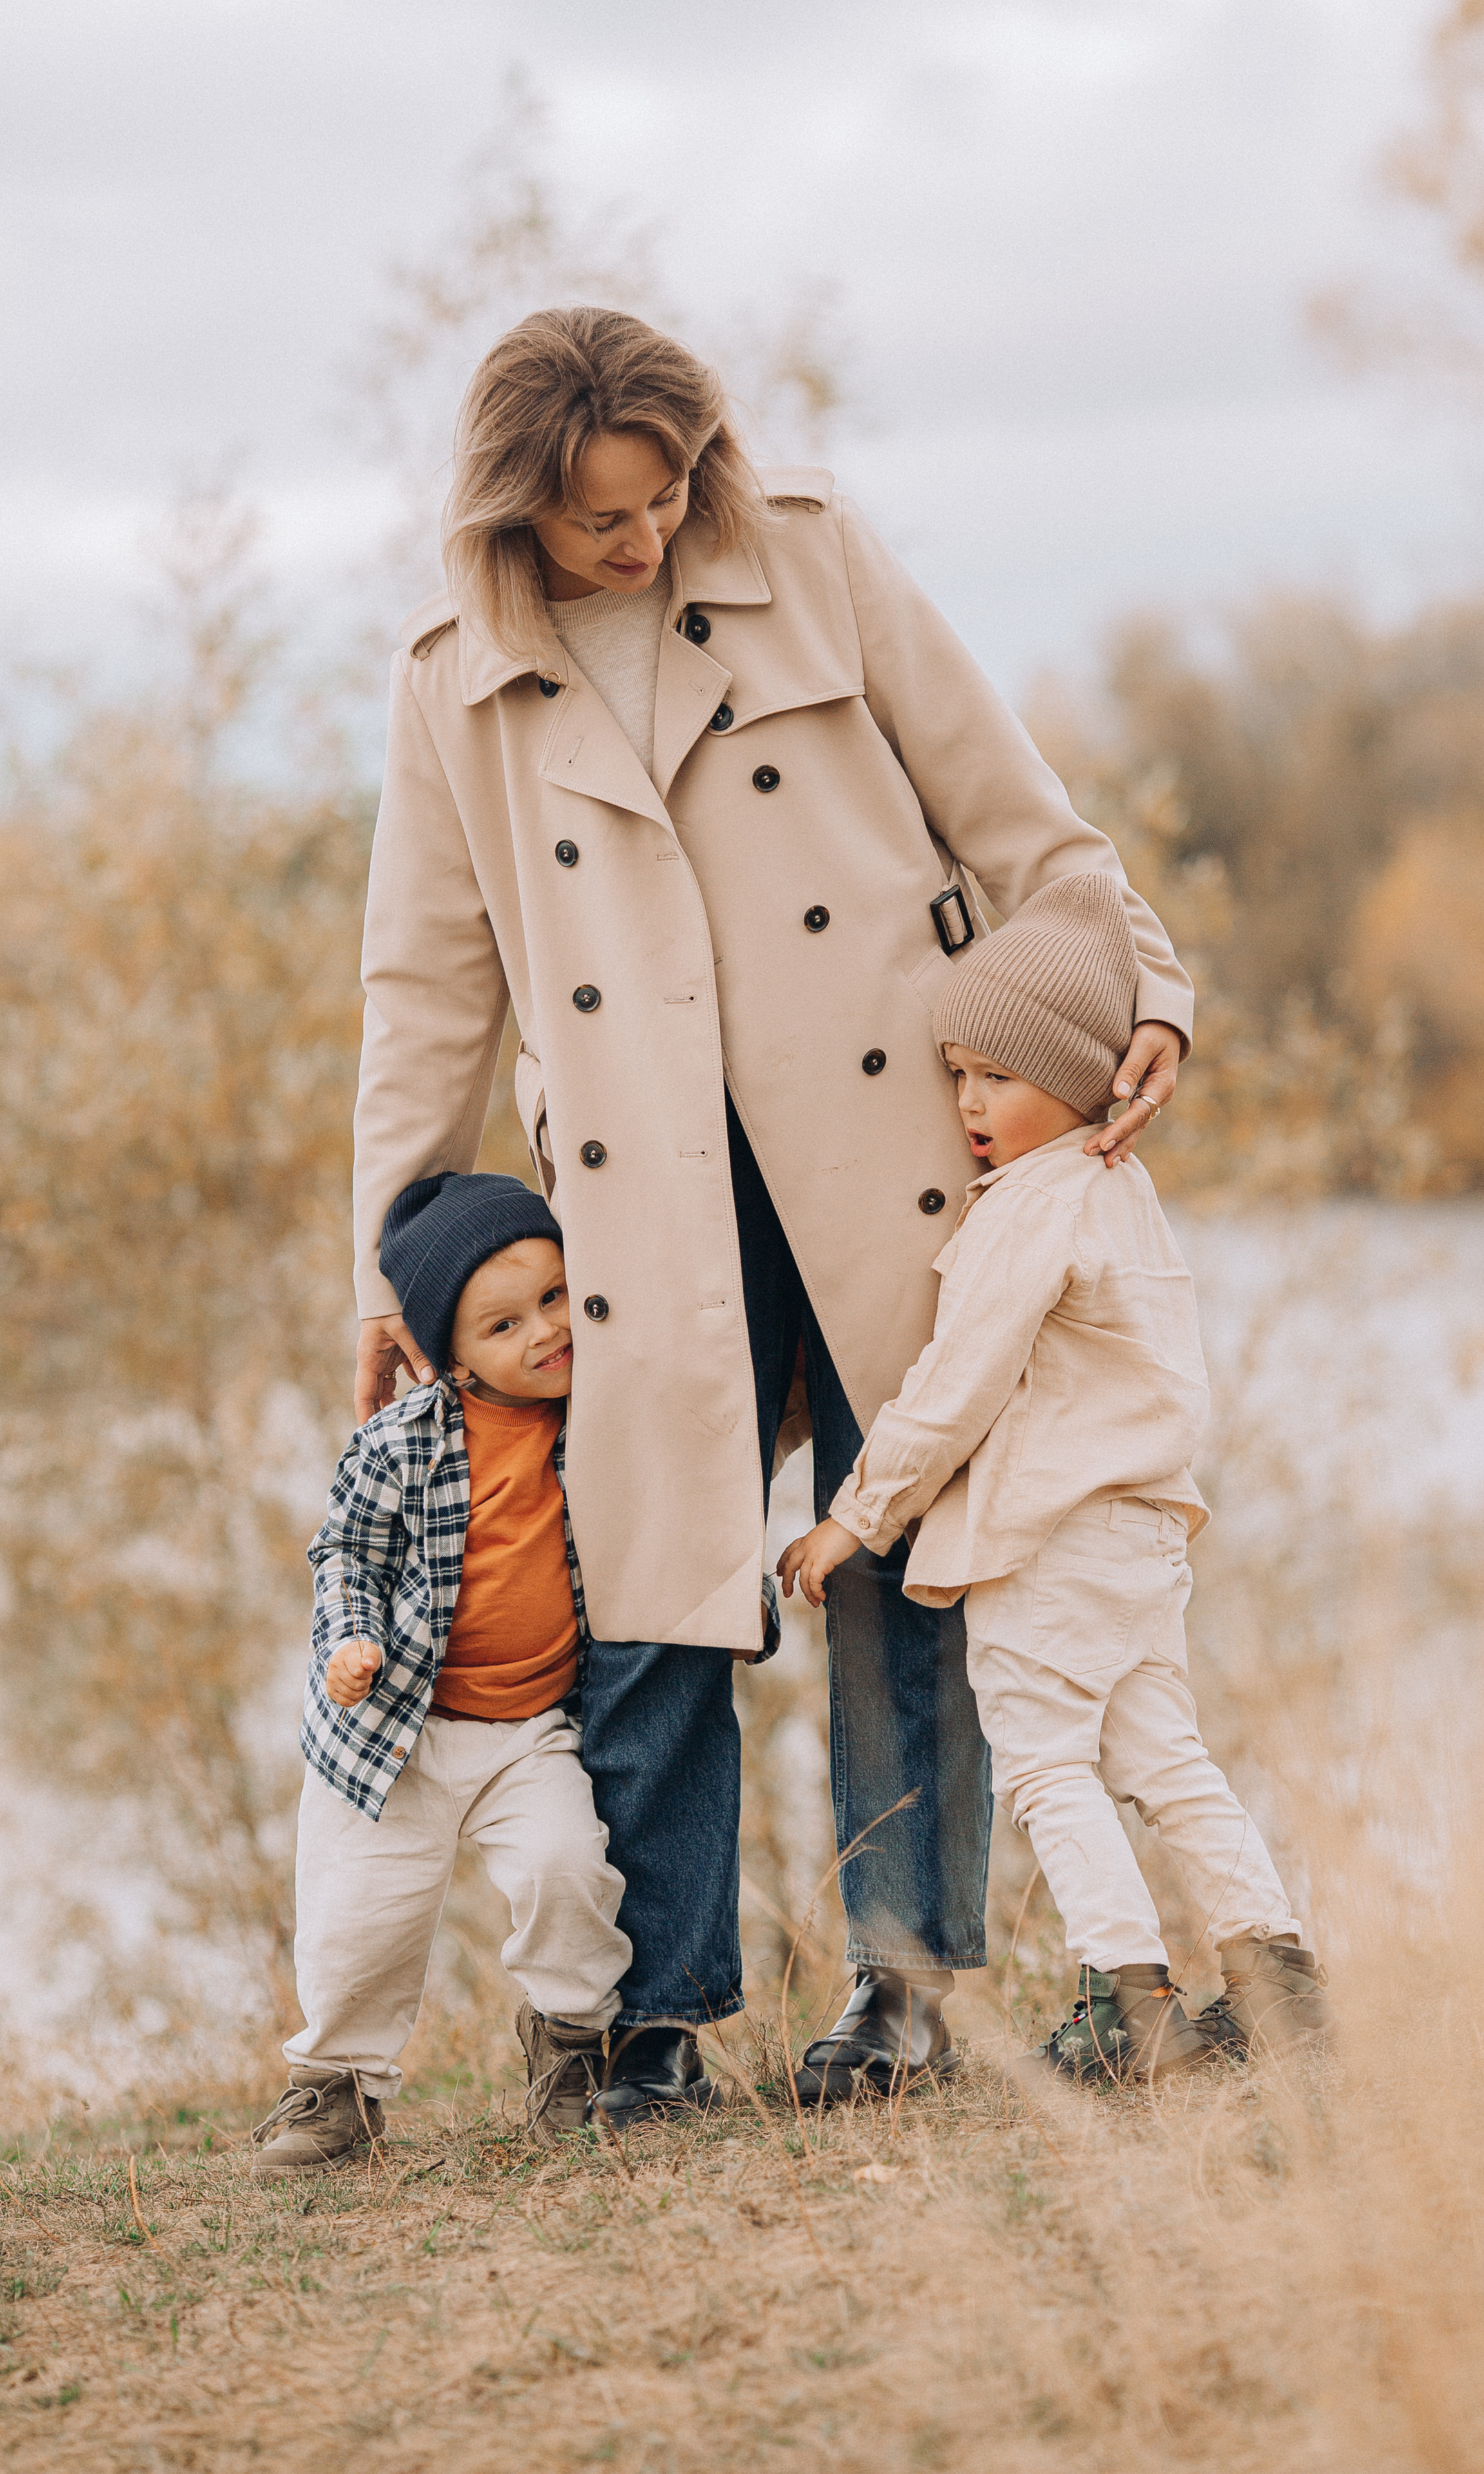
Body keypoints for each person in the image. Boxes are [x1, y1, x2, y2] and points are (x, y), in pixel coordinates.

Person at [349, 305, 1196, 2114]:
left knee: (910, 1556)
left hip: (896, 1144)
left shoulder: (806, 553)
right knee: (648, 1583)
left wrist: (1155, 998)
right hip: (637, 1189)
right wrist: (393, 1267)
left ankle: (905, 1992)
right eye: (597, 518)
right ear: (516, 513)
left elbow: (1031, 838)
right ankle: (647, 2022)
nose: (641, 541)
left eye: (661, 499)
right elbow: (427, 994)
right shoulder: (451, 676)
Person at [779, 876, 1330, 2087]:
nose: (970, 1103)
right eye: (961, 1073)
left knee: (1042, 1766)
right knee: (1162, 1757)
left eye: (1001, 1079)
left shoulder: (1028, 1210)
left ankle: (1125, 2002)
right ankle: (1276, 1976)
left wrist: (852, 1520)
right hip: (1142, 1536)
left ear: (1082, 1079)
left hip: (1050, 1540)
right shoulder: (1122, 1191)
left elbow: (956, 1382)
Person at [254, 1174, 633, 2178]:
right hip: (395, 1729)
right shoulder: (405, 1439)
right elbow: (345, 1552)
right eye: (505, 1324)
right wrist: (350, 1643)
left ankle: (572, 2056)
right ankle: (335, 2091)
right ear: (452, 1356)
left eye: (557, 1298)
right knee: (360, 1919)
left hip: (530, 1730)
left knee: (569, 1872)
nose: (545, 1332)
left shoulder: (601, 1415)